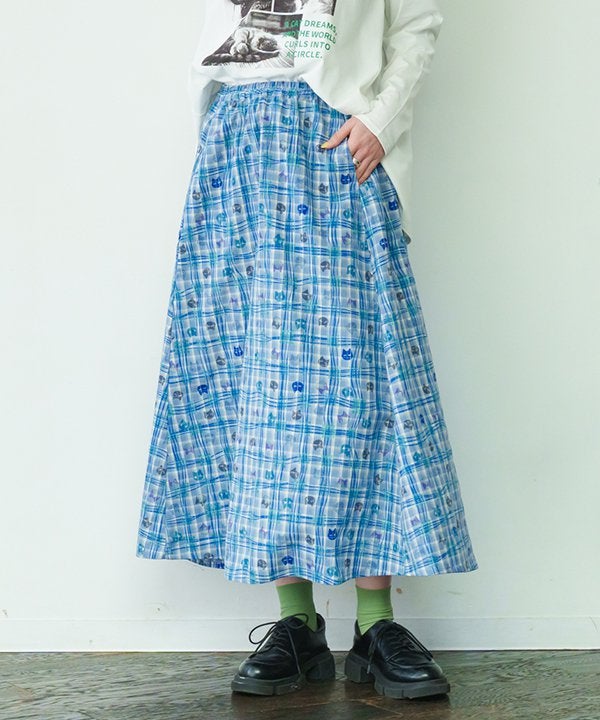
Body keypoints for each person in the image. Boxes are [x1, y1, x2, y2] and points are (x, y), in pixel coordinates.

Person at [136, 0, 479, 701]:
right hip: (237, 141)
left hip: (334, 139)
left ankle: (376, 624)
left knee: (363, 377)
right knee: (254, 372)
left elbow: (415, 22)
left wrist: (379, 119)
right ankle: (296, 623)